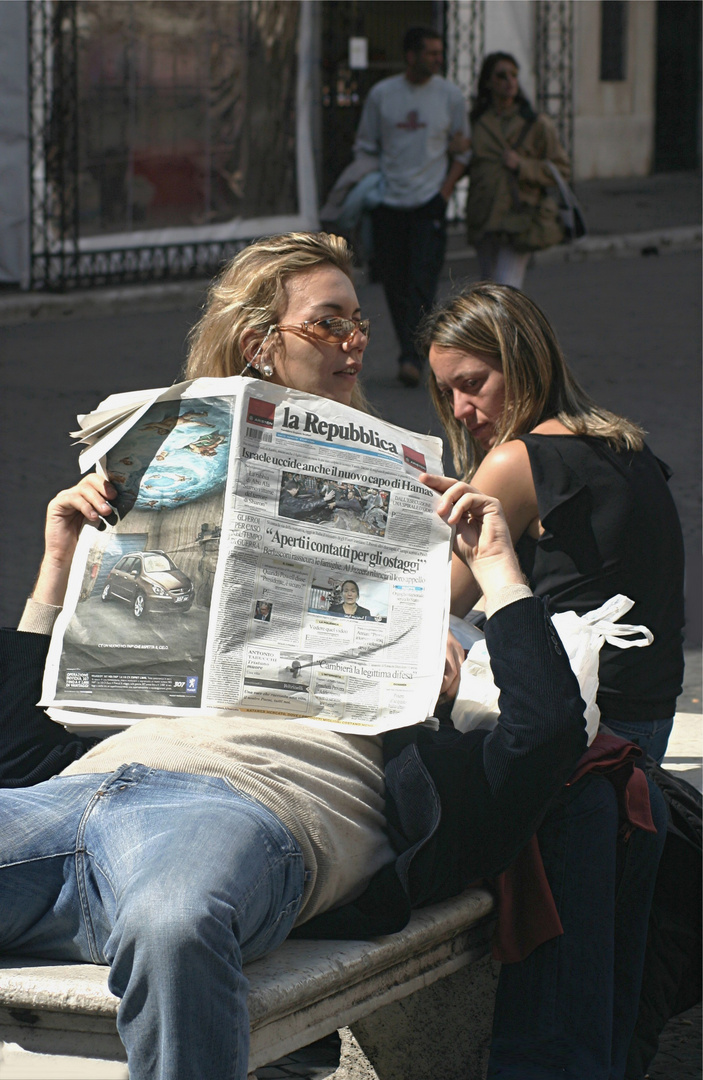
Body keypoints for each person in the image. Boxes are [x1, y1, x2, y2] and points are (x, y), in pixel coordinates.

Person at [0, 235, 662, 1080]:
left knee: (172, 924)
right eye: (332, 323)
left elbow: (545, 737)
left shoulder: (419, 560)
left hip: (243, 811)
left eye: (359, 322)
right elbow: (17, 754)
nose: (358, 340)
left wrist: (495, 570)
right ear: (259, 343)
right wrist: (58, 563)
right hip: (83, 788)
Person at [421, 282, 685, 764]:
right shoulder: (625, 443)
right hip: (648, 722)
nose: (459, 410)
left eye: (473, 383)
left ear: (522, 365)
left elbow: (436, 604)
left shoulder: (515, 461)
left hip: (591, 729)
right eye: (447, 392)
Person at [353, 26, 470, 387]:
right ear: (411, 56)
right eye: (431, 53)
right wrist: (372, 187)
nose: (438, 59)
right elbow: (366, 146)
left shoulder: (450, 96)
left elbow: (465, 150)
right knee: (394, 282)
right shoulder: (383, 95)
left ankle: (414, 357)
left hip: (428, 205)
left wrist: (444, 194)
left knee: (422, 282)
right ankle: (411, 349)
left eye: (440, 53)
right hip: (389, 205)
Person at [465, 52, 570, 289]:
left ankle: (509, 328)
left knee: (506, 289)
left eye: (514, 75)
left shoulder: (535, 123)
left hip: (518, 216)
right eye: (501, 76)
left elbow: (561, 169)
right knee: (487, 289)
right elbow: (468, 163)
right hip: (484, 215)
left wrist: (523, 165)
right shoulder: (477, 121)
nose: (510, 81)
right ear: (488, 82)